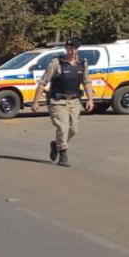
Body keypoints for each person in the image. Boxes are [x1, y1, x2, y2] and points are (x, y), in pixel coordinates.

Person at [32, 39, 94, 167]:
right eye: (70, 48)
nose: (73, 51)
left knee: (74, 129)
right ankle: (63, 155)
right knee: (63, 128)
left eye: (75, 49)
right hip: (57, 101)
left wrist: (90, 99)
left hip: (74, 101)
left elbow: (86, 82)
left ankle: (57, 144)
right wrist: (35, 102)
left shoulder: (82, 63)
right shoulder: (57, 63)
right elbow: (43, 82)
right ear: (66, 48)